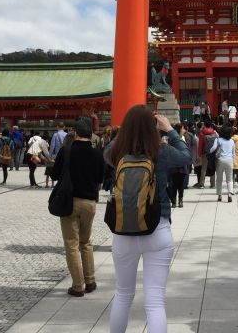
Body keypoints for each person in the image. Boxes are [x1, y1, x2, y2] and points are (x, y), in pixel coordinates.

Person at [106, 107, 190, 333]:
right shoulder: (161, 150)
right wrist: (171, 130)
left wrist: (123, 132)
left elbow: (104, 151)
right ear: (154, 126)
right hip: (157, 228)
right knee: (155, 301)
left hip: (123, 230)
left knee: (123, 295)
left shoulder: (117, 152)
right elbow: (186, 156)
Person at [50, 116, 105, 297]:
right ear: (91, 135)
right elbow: (100, 179)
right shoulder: (98, 153)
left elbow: (56, 174)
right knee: (86, 242)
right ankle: (90, 280)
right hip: (89, 203)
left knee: (71, 244)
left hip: (70, 202)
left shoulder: (66, 151)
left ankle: (78, 285)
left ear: (75, 134)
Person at [167, 123, 191, 208]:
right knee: (174, 183)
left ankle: (180, 200)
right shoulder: (173, 139)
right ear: (179, 130)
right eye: (183, 129)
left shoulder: (184, 138)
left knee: (181, 184)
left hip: (183, 164)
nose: (184, 130)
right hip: (174, 164)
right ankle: (173, 201)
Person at [210, 124, 236, 202]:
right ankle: (229, 194)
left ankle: (219, 195)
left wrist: (209, 151)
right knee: (229, 179)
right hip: (229, 160)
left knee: (219, 179)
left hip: (220, 160)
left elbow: (213, 148)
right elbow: (233, 153)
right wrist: (232, 161)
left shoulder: (218, 140)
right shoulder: (231, 141)